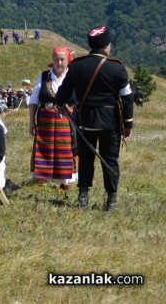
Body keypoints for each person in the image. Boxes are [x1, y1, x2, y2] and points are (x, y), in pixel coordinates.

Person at [55, 26, 134, 211]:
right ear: (107, 46)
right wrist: (128, 124)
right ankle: (111, 200)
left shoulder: (76, 66)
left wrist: (60, 105)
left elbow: (61, 96)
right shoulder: (117, 68)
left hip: (84, 122)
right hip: (110, 123)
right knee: (110, 160)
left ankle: (83, 196)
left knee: (85, 158)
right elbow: (127, 98)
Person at [29, 47, 77, 188]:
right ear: (52, 60)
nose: (59, 62)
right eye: (56, 59)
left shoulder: (73, 77)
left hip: (66, 121)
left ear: (68, 61)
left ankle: (64, 181)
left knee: (65, 150)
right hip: (45, 122)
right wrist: (32, 122)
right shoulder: (44, 76)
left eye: (62, 59)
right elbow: (33, 101)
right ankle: (43, 179)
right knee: (45, 149)